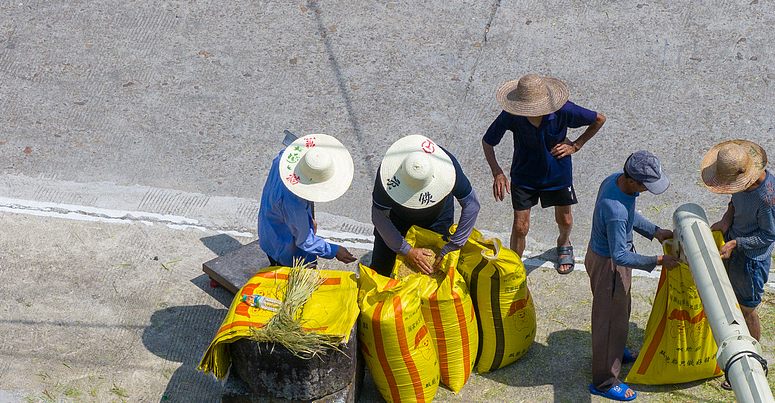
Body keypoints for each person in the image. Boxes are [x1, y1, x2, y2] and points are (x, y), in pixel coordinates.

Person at [482, 73, 606, 274]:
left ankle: (563, 242)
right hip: (524, 175)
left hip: (557, 174)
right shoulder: (512, 114)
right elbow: (488, 141)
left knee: (565, 220)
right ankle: (514, 266)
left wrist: (576, 145)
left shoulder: (564, 109)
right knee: (520, 227)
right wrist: (497, 172)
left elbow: (599, 119)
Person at [586, 151, 680, 402]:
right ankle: (604, 381)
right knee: (607, 322)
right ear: (632, 181)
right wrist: (658, 260)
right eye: (646, 186)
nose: (647, 190)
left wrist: (655, 231)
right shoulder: (615, 210)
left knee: (620, 312)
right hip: (609, 266)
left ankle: (616, 352)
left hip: (607, 258)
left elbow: (630, 214)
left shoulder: (615, 181)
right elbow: (619, 256)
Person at [701, 139, 775, 354]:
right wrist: (726, 220)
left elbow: (769, 235)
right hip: (734, 244)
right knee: (728, 299)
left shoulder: (768, 199)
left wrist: (736, 243)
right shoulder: (743, 182)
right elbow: (734, 201)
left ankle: (751, 356)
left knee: (746, 310)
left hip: (751, 261)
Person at [370, 135, 480, 277]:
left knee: (437, 272)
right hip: (396, 220)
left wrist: (454, 245)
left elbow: (472, 205)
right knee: (379, 272)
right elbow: (380, 218)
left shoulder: (448, 166)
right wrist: (406, 250)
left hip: (438, 219)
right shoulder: (387, 175)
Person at [257, 133, 357, 267]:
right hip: (282, 246)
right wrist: (335, 250)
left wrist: (307, 219)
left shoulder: (283, 158)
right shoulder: (294, 203)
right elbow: (305, 241)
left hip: (270, 226)